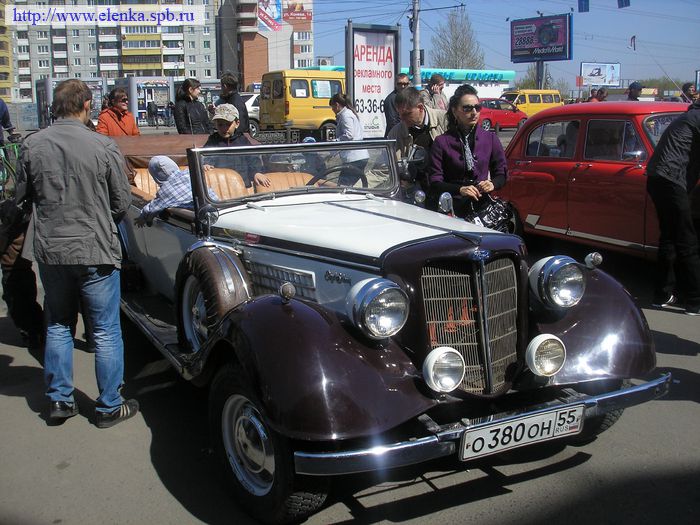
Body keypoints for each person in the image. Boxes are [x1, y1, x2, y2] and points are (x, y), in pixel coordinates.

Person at [14, 79, 139, 425]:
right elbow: (121, 202)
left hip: (52, 250)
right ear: (86, 105)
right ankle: (109, 406)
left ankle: (59, 401)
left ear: (55, 106)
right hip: (95, 248)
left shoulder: (32, 144)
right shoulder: (103, 145)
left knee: (58, 324)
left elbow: (20, 198)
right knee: (105, 330)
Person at [646, 98, 700, 316]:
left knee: (669, 237)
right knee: (688, 241)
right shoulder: (696, 118)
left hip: (657, 178)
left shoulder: (688, 117)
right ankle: (695, 301)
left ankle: (662, 294)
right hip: (671, 179)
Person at [428, 84, 508, 218]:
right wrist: (460, 190)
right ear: (455, 111)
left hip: (482, 209)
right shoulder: (441, 142)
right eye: (467, 108)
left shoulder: (490, 138)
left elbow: (502, 174)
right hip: (452, 210)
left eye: (477, 107)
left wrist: (492, 184)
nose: (474, 112)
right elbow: (435, 182)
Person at [387, 86, 448, 200]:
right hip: (414, 192)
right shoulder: (396, 132)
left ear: (420, 107)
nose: (402, 119)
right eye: (399, 114)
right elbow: (384, 168)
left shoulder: (445, 120)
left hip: (445, 187)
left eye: (406, 114)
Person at [135, 156, 216, 227]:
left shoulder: (165, 192)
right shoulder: (189, 173)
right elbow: (197, 169)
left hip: (201, 220)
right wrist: (203, 167)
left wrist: (142, 218)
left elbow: (152, 208)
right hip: (218, 208)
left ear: (156, 176)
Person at [203, 104, 269, 188]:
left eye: (228, 124)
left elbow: (253, 159)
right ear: (215, 124)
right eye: (220, 125)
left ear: (237, 124)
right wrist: (206, 164)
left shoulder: (242, 141)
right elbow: (206, 155)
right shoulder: (213, 141)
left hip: (242, 184)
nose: (224, 128)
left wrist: (256, 172)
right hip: (220, 184)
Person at [329, 93, 369, 187]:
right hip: (359, 156)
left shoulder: (345, 115)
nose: (332, 109)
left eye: (332, 107)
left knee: (343, 186)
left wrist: (335, 141)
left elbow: (349, 134)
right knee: (353, 185)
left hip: (354, 157)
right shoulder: (349, 113)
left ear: (337, 105)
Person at [383, 73, 410, 138]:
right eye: (399, 84)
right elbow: (393, 122)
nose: (402, 86)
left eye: (405, 84)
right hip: (395, 137)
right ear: (395, 84)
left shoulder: (409, 97)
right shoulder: (391, 99)